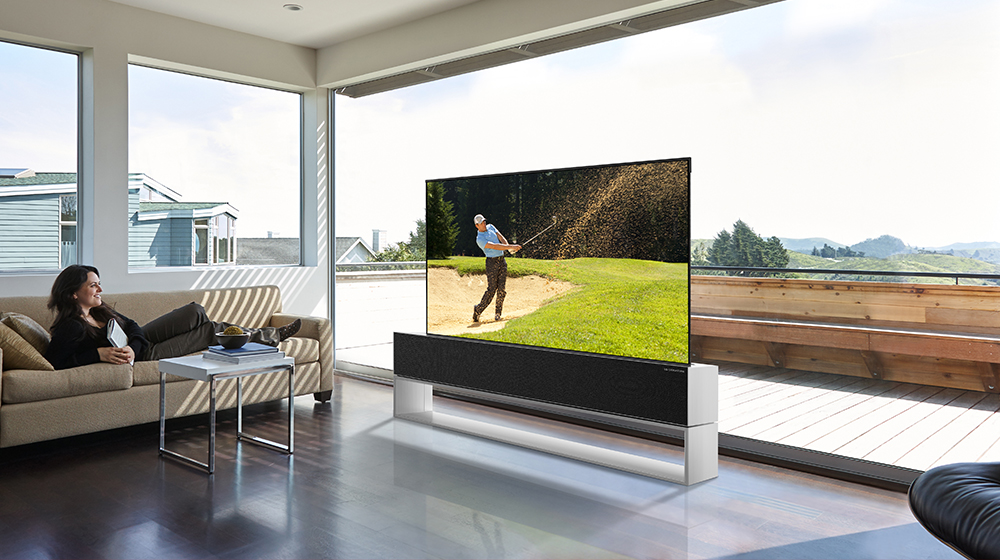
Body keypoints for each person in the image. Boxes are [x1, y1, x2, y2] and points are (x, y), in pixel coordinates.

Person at [44, 265, 301, 370]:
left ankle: (265, 336)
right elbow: (54, 361)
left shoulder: (99, 310)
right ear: (73, 294)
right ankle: (271, 336)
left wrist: (133, 345)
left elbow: (132, 325)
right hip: (146, 356)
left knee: (195, 311)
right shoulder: (72, 326)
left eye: (99, 283)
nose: (100, 290)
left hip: (139, 344)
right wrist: (98, 354)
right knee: (208, 330)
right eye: (93, 286)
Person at [472, 214, 521, 322]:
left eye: (484, 221)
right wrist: (511, 246)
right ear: (477, 226)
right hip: (491, 263)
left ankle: (498, 313)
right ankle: (478, 310)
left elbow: (500, 237)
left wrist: (508, 248)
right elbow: (494, 246)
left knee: (502, 290)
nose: (484, 224)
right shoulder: (480, 239)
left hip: (501, 261)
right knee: (491, 290)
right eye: (481, 223)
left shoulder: (491, 227)